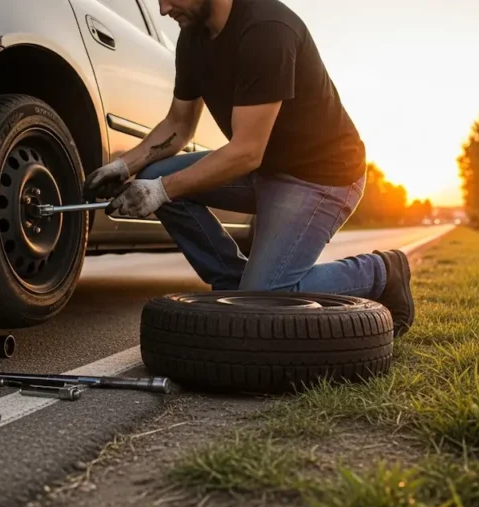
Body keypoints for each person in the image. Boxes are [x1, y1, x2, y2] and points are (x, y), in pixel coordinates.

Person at [83, 0, 414, 337]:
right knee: (154, 175)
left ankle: (382, 270)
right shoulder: (192, 37)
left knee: (268, 299)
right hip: (263, 167)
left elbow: (246, 152)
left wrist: (162, 190)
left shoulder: (267, 30)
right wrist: (125, 165)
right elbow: (179, 125)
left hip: (320, 177)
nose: (164, 9)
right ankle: (233, 283)